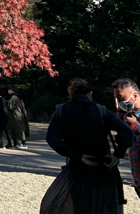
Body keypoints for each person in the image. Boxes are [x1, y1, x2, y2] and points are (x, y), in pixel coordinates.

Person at [46, 78, 132, 214]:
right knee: (103, 206)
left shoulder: (62, 111)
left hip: (77, 167)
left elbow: (52, 139)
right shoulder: (101, 111)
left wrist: (76, 155)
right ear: (90, 94)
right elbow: (127, 132)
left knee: (80, 205)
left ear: (71, 94)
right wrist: (117, 154)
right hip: (103, 165)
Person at [112, 78, 140, 200]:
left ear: (134, 95)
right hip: (137, 178)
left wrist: (135, 125)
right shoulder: (123, 115)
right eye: (116, 99)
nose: (118, 103)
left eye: (121, 98)